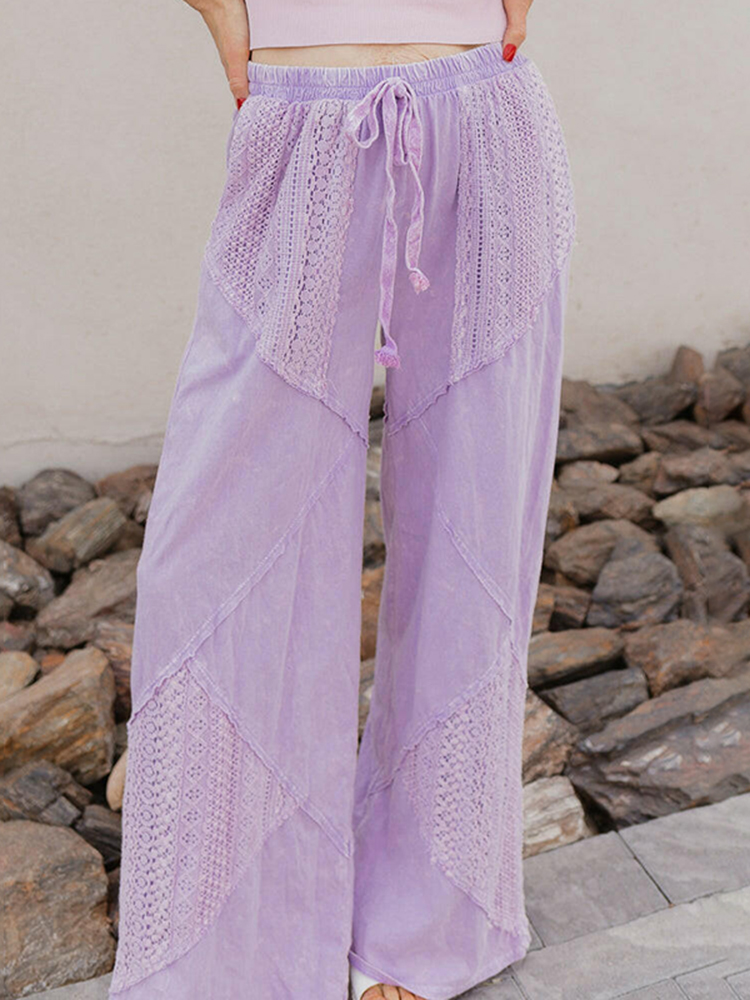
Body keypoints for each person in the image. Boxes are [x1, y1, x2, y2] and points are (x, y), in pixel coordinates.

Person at [107, 2, 576, 999]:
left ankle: (428, 924)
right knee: (212, 551)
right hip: (299, 123)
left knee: (473, 528)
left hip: (484, 114)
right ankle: (233, 947)